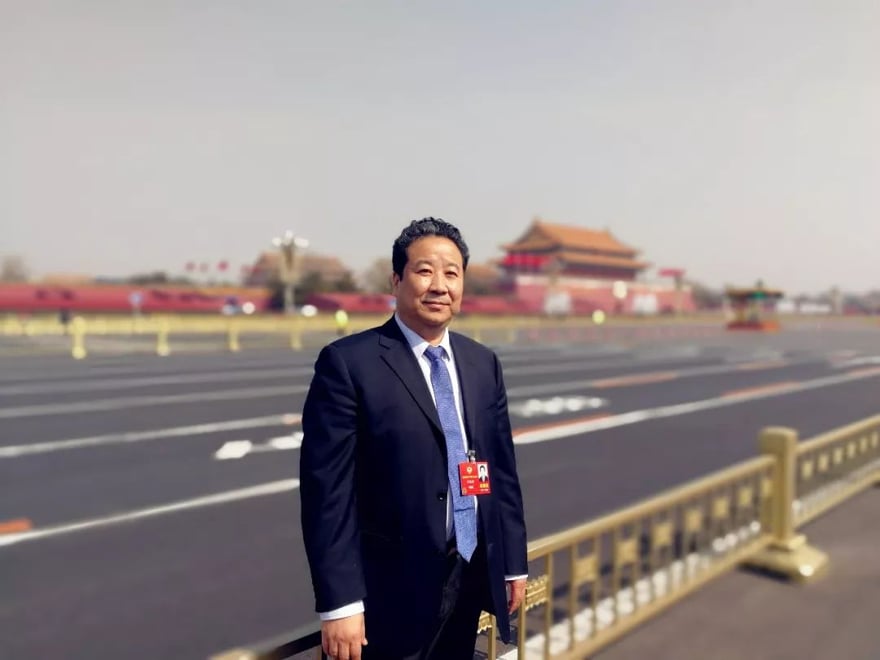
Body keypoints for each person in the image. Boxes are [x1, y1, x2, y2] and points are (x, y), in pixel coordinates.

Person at [300, 217, 528, 660]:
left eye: (452, 273)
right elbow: (327, 493)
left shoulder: (482, 364)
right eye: (424, 271)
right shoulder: (349, 364)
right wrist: (340, 603)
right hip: (387, 592)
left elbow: (500, 470)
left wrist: (511, 562)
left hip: (464, 576)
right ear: (397, 280)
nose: (439, 285)